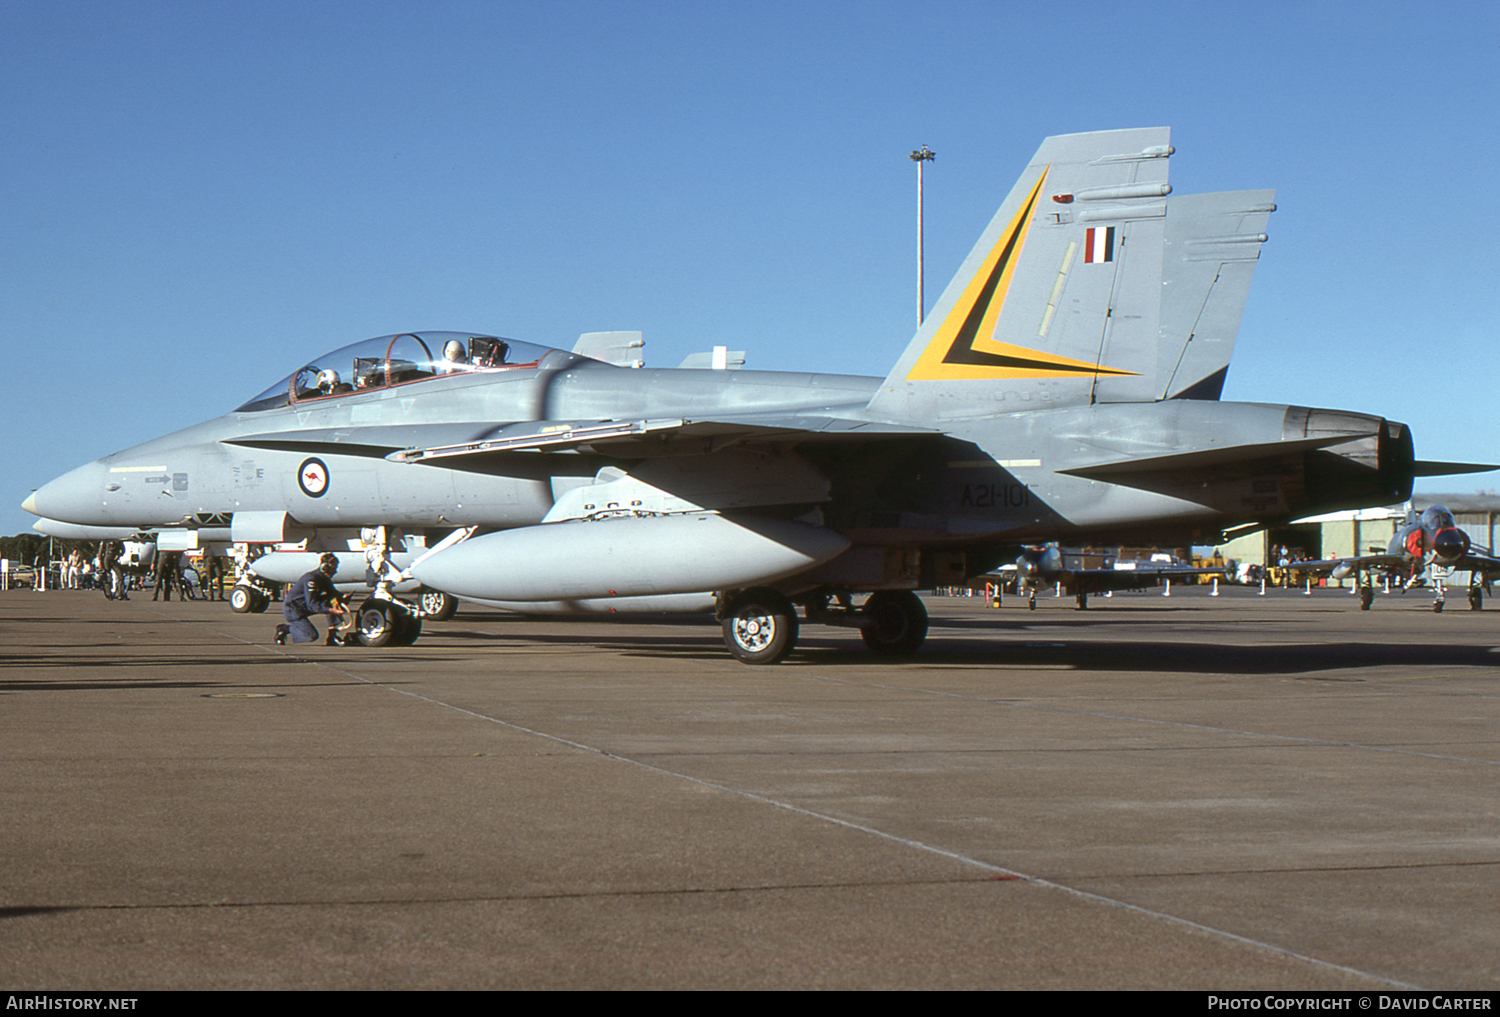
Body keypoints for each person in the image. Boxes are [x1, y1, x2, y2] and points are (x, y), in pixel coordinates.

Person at [275, 552, 350, 646]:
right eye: (333, 569)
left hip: (303, 606)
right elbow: (312, 606)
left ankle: (332, 636)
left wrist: (342, 599)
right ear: (325, 568)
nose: (335, 572)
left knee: (333, 600)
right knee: (311, 636)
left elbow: (332, 593)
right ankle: (284, 629)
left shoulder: (324, 578)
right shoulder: (311, 580)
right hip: (293, 609)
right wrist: (331, 610)